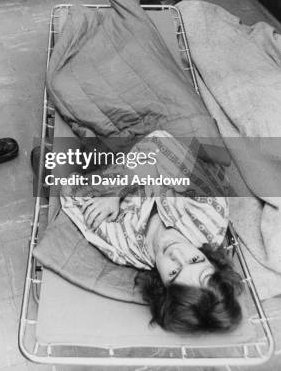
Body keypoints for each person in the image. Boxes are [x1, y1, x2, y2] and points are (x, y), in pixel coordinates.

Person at [61, 131, 242, 333]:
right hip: (172, 145)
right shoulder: (209, 211)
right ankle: (205, 152)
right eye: (195, 260)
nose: (177, 253)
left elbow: (71, 193)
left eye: (174, 272)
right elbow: (159, 143)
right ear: (213, 263)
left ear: (162, 287)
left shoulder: (125, 248)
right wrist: (116, 189)